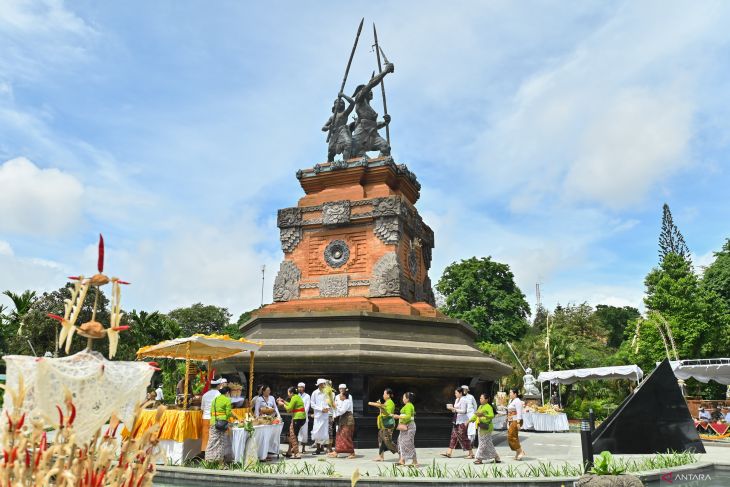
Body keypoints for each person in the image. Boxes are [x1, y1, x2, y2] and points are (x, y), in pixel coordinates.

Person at [350, 62, 394, 158]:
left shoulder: (370, 109)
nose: (371, 92)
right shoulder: (359, 100)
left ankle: (381, 165)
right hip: (360, 135)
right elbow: (371, 84)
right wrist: (385, 71)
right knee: (353, 154)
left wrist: (385, 122)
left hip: (373, 134)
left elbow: (373, 125)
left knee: (386, 147)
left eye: (371, 91)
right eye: (368, 90)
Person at [442, 387, 473, 459]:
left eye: (456, 393)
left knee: (463, 437)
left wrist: (454, 409)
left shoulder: (464, 400)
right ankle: (449, 452)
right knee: (453, 436)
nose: (455, 394)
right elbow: (455, 411)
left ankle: (471, 453)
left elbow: (464, 411)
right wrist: (451, 408)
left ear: (460, 393)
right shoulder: (456, 400)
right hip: (456, 420)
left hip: (462, 421)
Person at [322, 95, 356, 162]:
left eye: (342, 102)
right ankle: (329, 164)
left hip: (342, 131)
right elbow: (323, 128)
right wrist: (329, 127)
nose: (340, 103)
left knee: (348, 143)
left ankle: (346, 162)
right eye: (338, 102)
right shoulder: (332, 117)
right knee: (331, 153)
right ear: (334, 105)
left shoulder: (345, 113)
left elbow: (352, 103)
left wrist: (343, 95)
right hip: (334, 134)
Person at [205, 385, 233, 463]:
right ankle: (220, 461)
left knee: (212, 441)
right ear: (227, 393)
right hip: (222, 423)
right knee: (221, 442)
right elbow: (228, 413)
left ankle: (208, 459)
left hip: (213, 421)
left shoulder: (215, 400)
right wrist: (227, 417)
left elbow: (211, 412)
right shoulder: (227, 400)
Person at [470, 393, 500, 464]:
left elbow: (491, 415)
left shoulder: (488, 407)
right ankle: (496, 457)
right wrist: (469, 421)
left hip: (487, 428)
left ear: (486, 400)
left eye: (482, 398)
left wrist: (484, 415)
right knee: (488, 444)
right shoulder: (480, 406)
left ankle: (479, 458)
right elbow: (475, 415)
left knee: (482, 443)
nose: (480, 399)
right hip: (481, 426)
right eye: (480, 398)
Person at [277, 386, 306, 459]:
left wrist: (282, 404)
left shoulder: (294, 398)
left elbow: (289, 408)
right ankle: (290, 452)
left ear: (292, 393)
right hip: (301, 418)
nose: (288, 394)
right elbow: (291, 404)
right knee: (292, 435)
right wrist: (284, 401)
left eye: (288, 393)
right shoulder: (297, 397)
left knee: (293, 436)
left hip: (297, 418)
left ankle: (297, 454)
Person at [329, 384, 356, 459]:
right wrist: (334, 413)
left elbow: (342, 411)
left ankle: (352, 452)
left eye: (341, 395)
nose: (340, 396)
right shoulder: (342, 400)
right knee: (339, 435)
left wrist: (335, 407)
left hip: (348, 420)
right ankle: (336, 451)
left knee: (346, 436)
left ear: (344, 396)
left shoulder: (347, 401)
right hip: (342, 420)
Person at [200, 378, 227, 451]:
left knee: (205, 437)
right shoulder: (220, 395)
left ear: (210, 386)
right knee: (215, 438)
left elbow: (202, 408)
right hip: (215, 419)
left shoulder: (205, 395)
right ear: (218, 386)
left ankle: (204, 452)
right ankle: (214, 454)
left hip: (205, 418)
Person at [394, 392, 417, 467]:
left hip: (409, 426)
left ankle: (414, 461)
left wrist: (398, 416)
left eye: (404, 397)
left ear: (408, 399)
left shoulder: (409, 405)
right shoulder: (409, 405)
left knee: (408, 443)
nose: (403, 399)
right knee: (401, 442)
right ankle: (402, 460)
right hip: (406, 426)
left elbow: (408, 417)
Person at [374, 388, 398, 461]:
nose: (383, 395)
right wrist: (380, 406)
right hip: (383, 424)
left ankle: (401, 452)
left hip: (388, 425)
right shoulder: (386, 402)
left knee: (388, 442)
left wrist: (380, 406)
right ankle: (381, 456)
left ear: (388, 395)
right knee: (381, 440)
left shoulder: (390, 403)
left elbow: (388, 413)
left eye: (384, 394)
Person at [310, 378, 331, 455]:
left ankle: (327, 448)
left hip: (325, 415)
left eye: (324, 384)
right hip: (318, 416)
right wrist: (321, 409)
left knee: (325, 432)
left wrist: (327, 408)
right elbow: (312, 404)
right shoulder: (314, 393)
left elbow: (330, 402)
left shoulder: (327, 392)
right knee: (317, 432)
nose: (323, 385)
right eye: (322, 384)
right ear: (318, 385)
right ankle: (318, 448)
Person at [507, 388, 526, 460]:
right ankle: (518, 453)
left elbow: (519, 412)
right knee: (514, 436)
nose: (509, 394)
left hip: (516, 420)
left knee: (511, 436)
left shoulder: (518, 401)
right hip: (511, 420)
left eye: (511, 393)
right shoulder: (511, 400)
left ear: (515, 394)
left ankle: (520, 451)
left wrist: (518, 422)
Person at [296, 382, 311, 453]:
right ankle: (296, 448)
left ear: (304, 388)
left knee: (304, 432)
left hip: (304, 416)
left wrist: (302, 413)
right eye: (299, 387)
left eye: (301, 387)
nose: (300, 388)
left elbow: (307, 406)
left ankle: (303, 448)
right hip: (297, 416)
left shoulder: (307, 396)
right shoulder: (296, 396)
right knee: (297, 432)